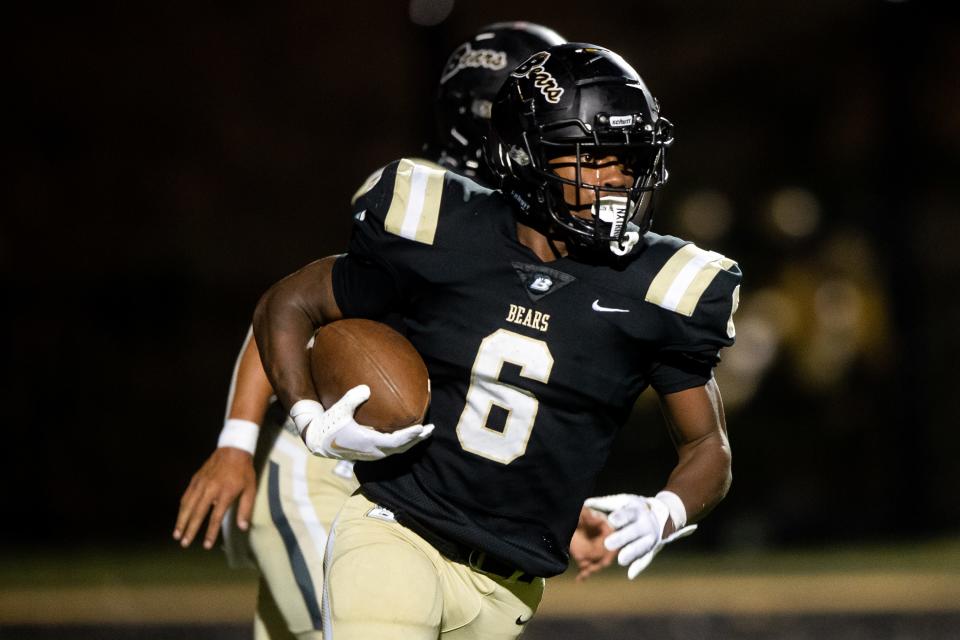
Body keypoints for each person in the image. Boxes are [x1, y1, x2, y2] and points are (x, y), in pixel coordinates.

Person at [253, 42, 740, 639]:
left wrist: (666, 511)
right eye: (593, 158)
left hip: (508, 589)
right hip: (396, 533)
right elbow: (291, 301)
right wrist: (308, 416)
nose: (617, 178)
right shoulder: (443, 230)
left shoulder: (661, 289)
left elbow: (707, 446)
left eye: (630, 158)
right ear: (524, 156)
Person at [173, 23, 613, 640]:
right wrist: (236, 443)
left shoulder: (532, 234)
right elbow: (296, 309)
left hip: (408, 497)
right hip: (326, 472)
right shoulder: (427, 205)